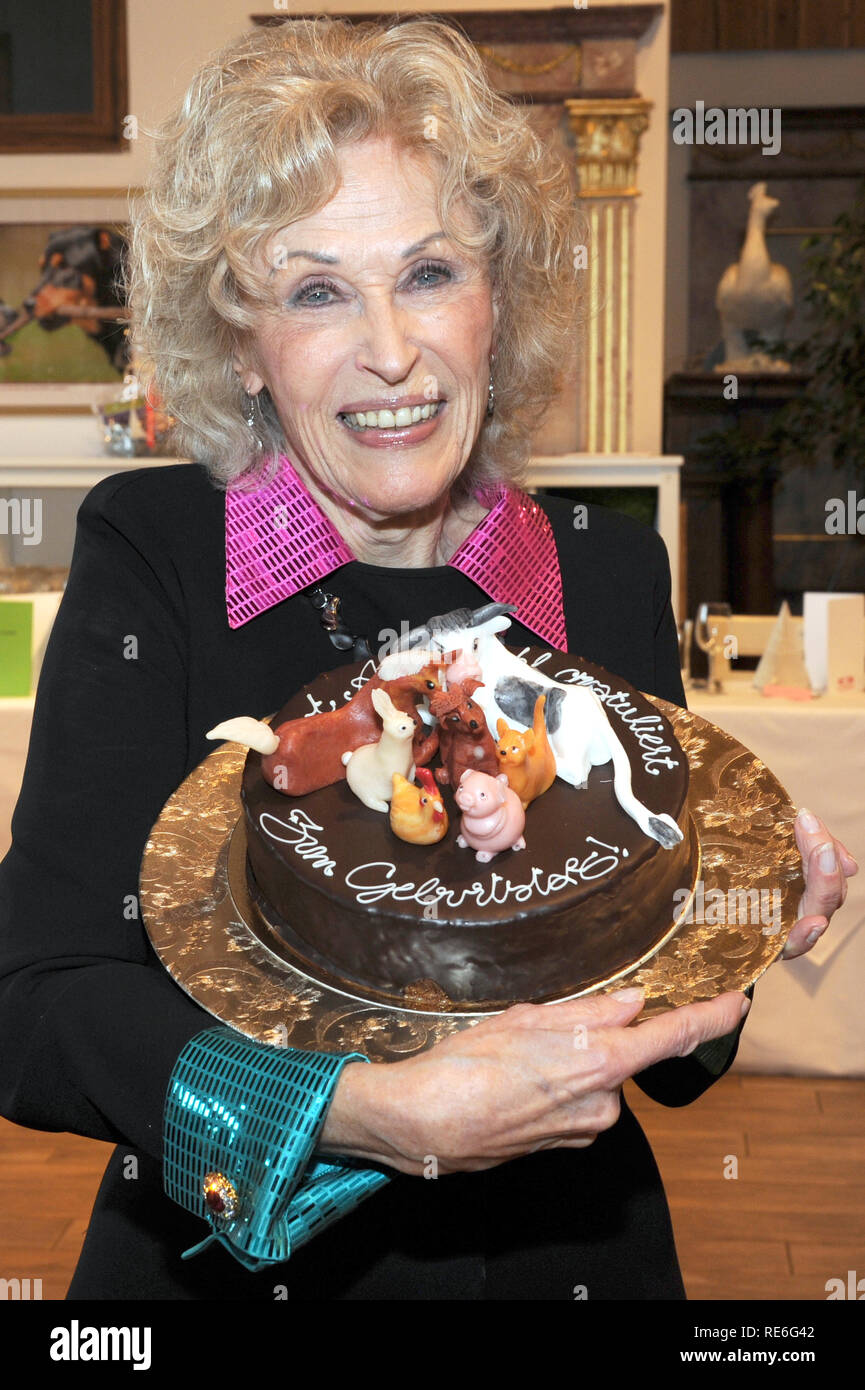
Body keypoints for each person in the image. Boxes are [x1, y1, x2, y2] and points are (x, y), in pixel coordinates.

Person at [0, 16, 855, 1302]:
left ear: (497, 298)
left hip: (569, 1263)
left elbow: (681, 1062)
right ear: (241, 341)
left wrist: (738, 908)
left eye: (431, 273)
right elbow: (39, 1002)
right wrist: (356, 1109)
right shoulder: (161, 553)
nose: (391, 352)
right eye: (315, 289)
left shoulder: (605, 569)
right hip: (228, 1275)